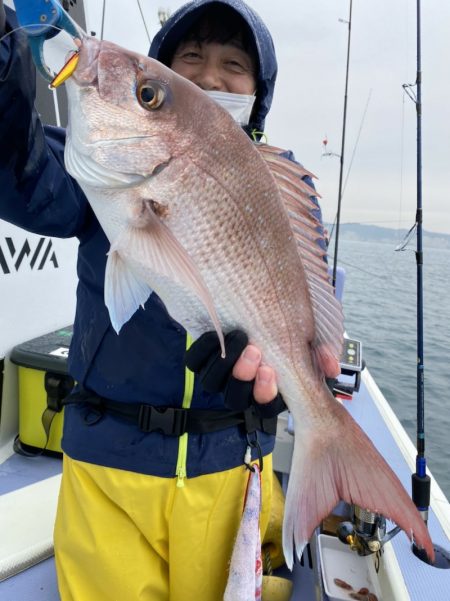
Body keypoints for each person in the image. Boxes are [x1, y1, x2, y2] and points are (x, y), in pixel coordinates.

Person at [0, 1, 327, 599]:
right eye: (190, 58)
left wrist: (280, 388)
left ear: (259, 92)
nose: (209, 76)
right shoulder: (99, 175)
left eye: (234, 64)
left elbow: (307, 311)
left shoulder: (289, 190)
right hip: (107, 466)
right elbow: (20, 172)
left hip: (230, 470)